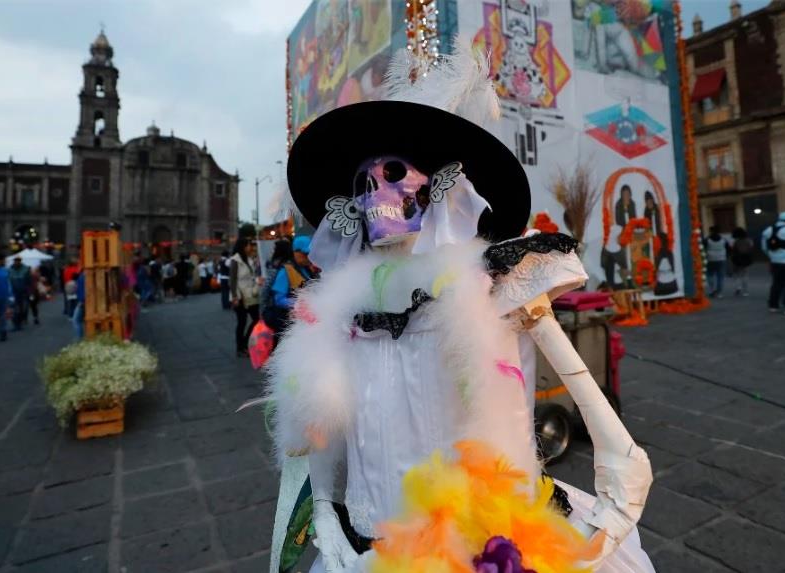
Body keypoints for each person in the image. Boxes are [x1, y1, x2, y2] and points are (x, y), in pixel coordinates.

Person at [264, 54, 653, 573]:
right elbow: (313, 426)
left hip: (481, 540)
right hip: (369, 536)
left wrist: (619, 495)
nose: (375, 193)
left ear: (439, 186)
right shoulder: (338, 309)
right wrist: (326, 520)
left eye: (393, 174)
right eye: (363, 185)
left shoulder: (498, 280)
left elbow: (599, 414)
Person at [229, 238, 261, 357]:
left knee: (256, 319)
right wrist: (234, 297)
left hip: (251, 293)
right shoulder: (235, 260)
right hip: (240, 295)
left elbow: (252, 275)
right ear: (242, 246)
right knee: (241, 322)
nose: (250, 248)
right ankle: (240, 348)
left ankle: (245, 343)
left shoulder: (249, 259)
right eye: (248, 245)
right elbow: (232, 280)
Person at [260, 239, 295, 340]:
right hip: (290, 311)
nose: (272, 251)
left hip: (278, 310)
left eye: (274, 248)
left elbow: (266, 289)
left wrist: (262, 310)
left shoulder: (277, 266)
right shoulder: (293, 265)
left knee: (278, 339)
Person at [7, 257, 32, 330]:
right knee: (14, 308)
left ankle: (20, 323)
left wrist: (29, 290)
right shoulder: (9, 269)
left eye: (18, 260)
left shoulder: (26, 269)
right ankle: (15, 324)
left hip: (23, 291)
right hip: (13, 292)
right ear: (14, 261)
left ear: (20, 261)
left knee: (22, 309)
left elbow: (29, 281)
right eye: (16, 260)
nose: (17, 262)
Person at [704, 226, 728, 298]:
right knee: (720, 277)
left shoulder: (707, 239)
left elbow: (702, 248)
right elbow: (728, 248)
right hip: (721, 258)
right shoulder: (723, 239)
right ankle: (719, 293)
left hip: (710, 259)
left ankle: (712, 290)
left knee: (709, 275)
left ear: (711, 231)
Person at [730, 227, 755, 297]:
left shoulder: (736, 241)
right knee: (744, 274)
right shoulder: (749, 240)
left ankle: (738, 287)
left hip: (737, 259)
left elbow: (733, 250)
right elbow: (751, 249)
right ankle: (745, 291)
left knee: (736, 274)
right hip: (746, 259)